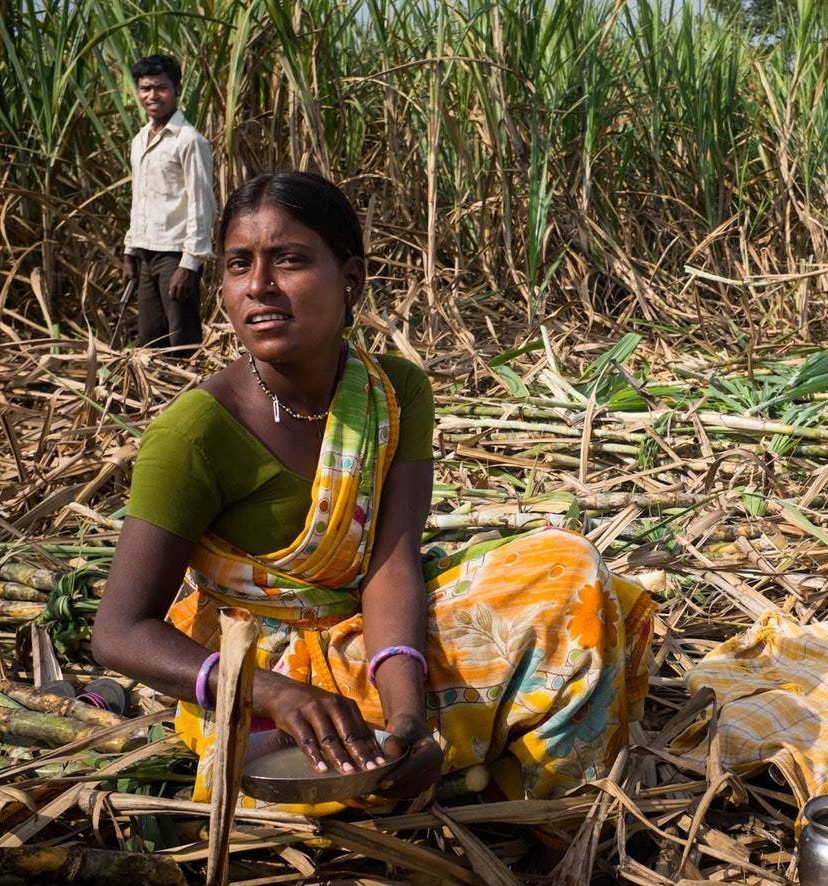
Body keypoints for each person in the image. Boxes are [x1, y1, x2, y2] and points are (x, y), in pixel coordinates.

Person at [92, 172, 653, 812]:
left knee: (570, 573)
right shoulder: (192, 434)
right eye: (238, 265)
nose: (258, 287)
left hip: (380, 635)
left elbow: (391, 566)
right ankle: (456, 762)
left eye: (290, 261)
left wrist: (408, 712)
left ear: (351, 278)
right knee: (318, 777)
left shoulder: (392, 393)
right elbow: (119, 631)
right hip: (261, 670)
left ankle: (531, 809)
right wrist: (271, 694)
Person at [120, 54, 216, 351]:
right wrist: (130, 251)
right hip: (147, 252)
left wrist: (189, 264)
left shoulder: (189, 140)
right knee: (150, 338)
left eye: (160, 88)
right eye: (145, 88)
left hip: (175, 254)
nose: (152, 96)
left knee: (182, 339)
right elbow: (141, 200)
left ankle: (189, 395)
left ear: (176, 89)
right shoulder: (140, 139)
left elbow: (202, 203)